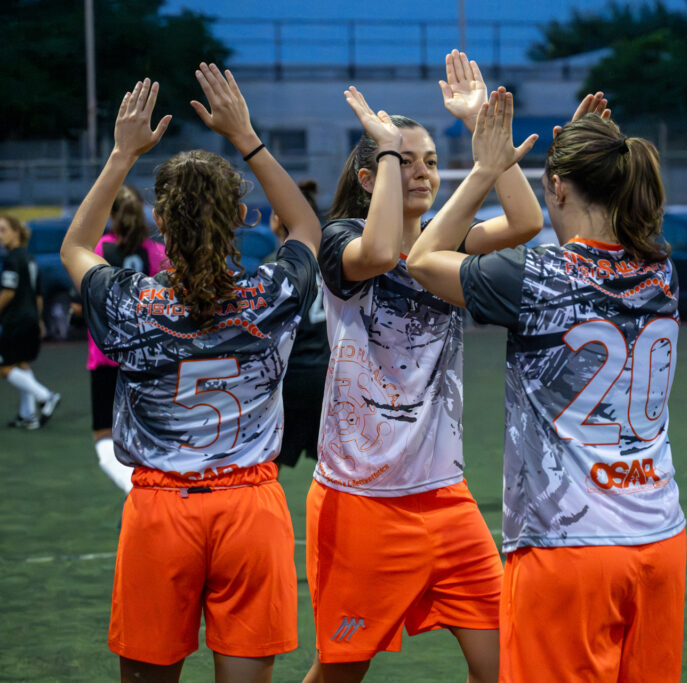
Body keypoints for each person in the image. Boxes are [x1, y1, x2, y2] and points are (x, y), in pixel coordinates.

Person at [407, 90, 687, 682]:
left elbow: (422, 258)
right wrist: (584, 155)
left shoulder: (532, 276)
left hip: (568, 549)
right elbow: (604, 245)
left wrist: (488, 167)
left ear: (558, 188)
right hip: (660, 539)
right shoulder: (662, 269)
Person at [60, 65, 321, 682]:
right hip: (250, 509)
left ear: (159, 223)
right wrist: (248, 139)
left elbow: (76, 246)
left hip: (161, 511)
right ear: (238, 218)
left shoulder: (130, 303)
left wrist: (122, 154)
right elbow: (307, 227)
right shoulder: (268, 294)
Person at [307, 51, 542, 683]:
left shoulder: (448, 239)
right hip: (361, 500)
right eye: (402, 160)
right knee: (340, 672)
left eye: (430, 162)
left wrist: (480, 136)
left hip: (444, 497)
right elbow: (384, 253)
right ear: (369, 174)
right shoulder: (342, 240)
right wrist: (396, 151)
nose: (421, 172)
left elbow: (526, 220)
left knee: (505, 663)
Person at [87, 185, 167, 493]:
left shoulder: (100, 249)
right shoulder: (156, 252)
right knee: (147, 430)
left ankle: (136, 495)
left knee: (104, 436)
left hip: (106, 354)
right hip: (148, 355)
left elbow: (87, 294)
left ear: (112, 215)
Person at [265, 179, 329, 473]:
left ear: (278, 219)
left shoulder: (274, 267)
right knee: (342, 468)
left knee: (264, 468)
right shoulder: (337, 261)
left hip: (288, 382)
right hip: (330, 379)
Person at [0, 214, 60, 430]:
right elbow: (38, 296)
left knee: (5, 368)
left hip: (16, 320)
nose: (0, 235)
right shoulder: (30, 259)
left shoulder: (12, 259)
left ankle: (46, 396)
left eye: (3, 230)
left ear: (17, 232)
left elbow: (8, 293)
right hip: (30, 318)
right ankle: (28, 415)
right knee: (21, 363)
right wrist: (40, 320)